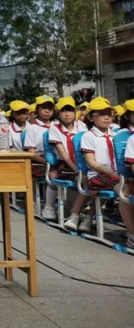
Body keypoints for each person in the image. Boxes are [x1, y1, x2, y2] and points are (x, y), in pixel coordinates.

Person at [87, 99, 134, 249]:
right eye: (101, 114)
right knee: (125, 191)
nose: (106, 118)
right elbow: (91, 163)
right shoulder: (129, 138)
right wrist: (112, 173)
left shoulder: (115, 134)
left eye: (109, 114)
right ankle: (132, 235)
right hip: (99, 175)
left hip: (116, 176)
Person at [48, 97, 93, 232]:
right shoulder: (54, 128)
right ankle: (76, 214)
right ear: (58, 113)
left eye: (70, 110)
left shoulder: (82, 126)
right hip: (67, 166)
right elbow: (63, 154)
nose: (67, 114)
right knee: (86, 180)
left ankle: (85, 215)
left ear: (75, 112)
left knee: (93, 180)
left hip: (84, 163)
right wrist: (77, 170)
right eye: (63, 111)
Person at [24, 95, 57, 220]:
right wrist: (47, 161)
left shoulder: (57, 126)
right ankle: (49, 206)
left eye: (50, 108)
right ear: (37, 110)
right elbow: (31, 153)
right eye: (44, 108)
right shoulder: (32, 128)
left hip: (56, 158)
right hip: (39, 161)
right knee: (53, 172)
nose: (47, 111)